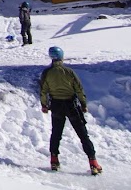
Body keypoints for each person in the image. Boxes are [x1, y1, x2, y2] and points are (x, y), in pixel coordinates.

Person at [40, 46, 102, 175]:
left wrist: (44, 105)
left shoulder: (46, 73)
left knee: (56, 133)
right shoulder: (68, 72)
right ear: (62, 56)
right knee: (83, 134)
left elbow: (43, 91)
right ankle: (93, 163)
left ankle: (54, 160)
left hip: (56, 105)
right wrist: (83, 104)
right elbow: (79, 89)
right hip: (71, 105)